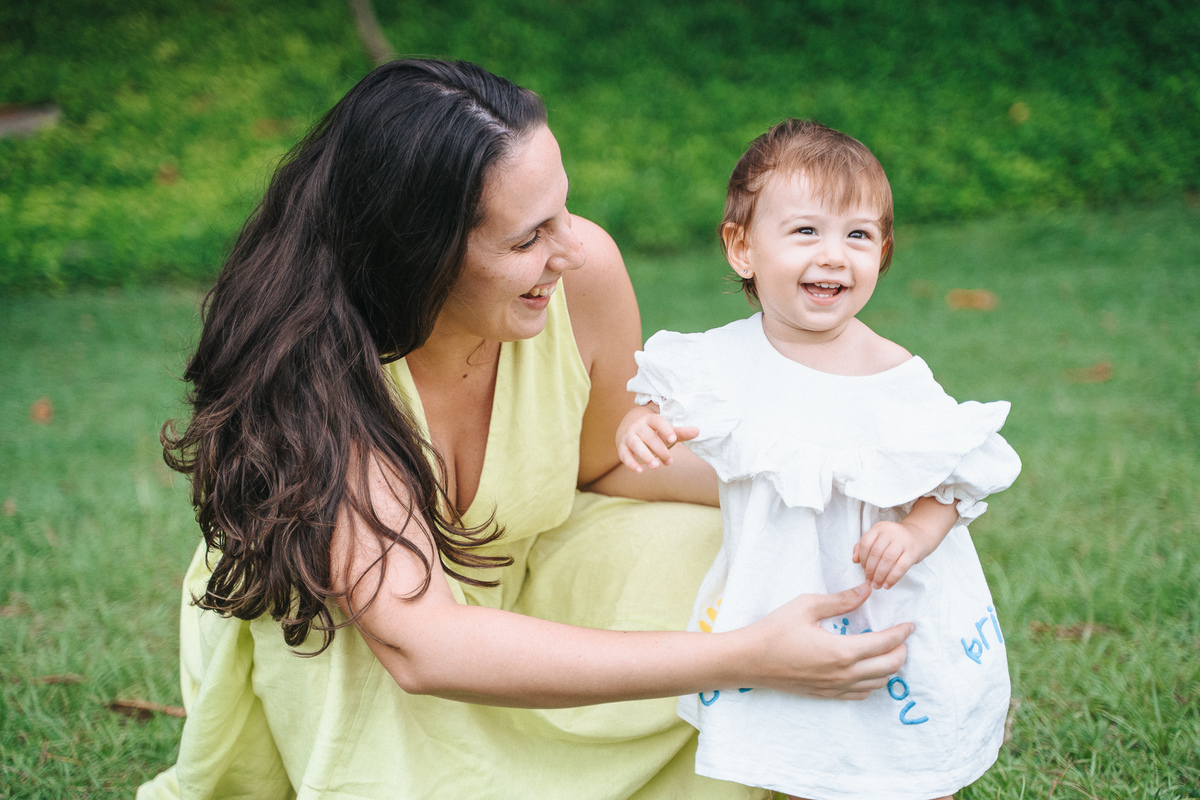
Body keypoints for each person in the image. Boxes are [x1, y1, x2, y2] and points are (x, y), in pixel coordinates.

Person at [138, 63, 916, 800]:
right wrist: (750, 656)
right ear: (421, 256)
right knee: (364, 664)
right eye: (527, 239)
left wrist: (837, 484)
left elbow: (610, 461)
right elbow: (423, 644)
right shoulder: (317, 374)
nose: (570, 249)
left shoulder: (582, 274)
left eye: (563, 210)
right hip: (359, 643)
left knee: (731, 543)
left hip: (522, 579)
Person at [617, 119, 1022, 800]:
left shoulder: (894, 376)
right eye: (806, 231)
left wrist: (912, 532)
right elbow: (657, 406)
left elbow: (956, 481)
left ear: (882, 253)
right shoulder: (717, 361)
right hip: (777, 599)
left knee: (903, 755)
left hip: (888, 611)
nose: (834, 255)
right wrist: (642, 427)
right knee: (802, 752)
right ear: (742, 248)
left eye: (858, 235)